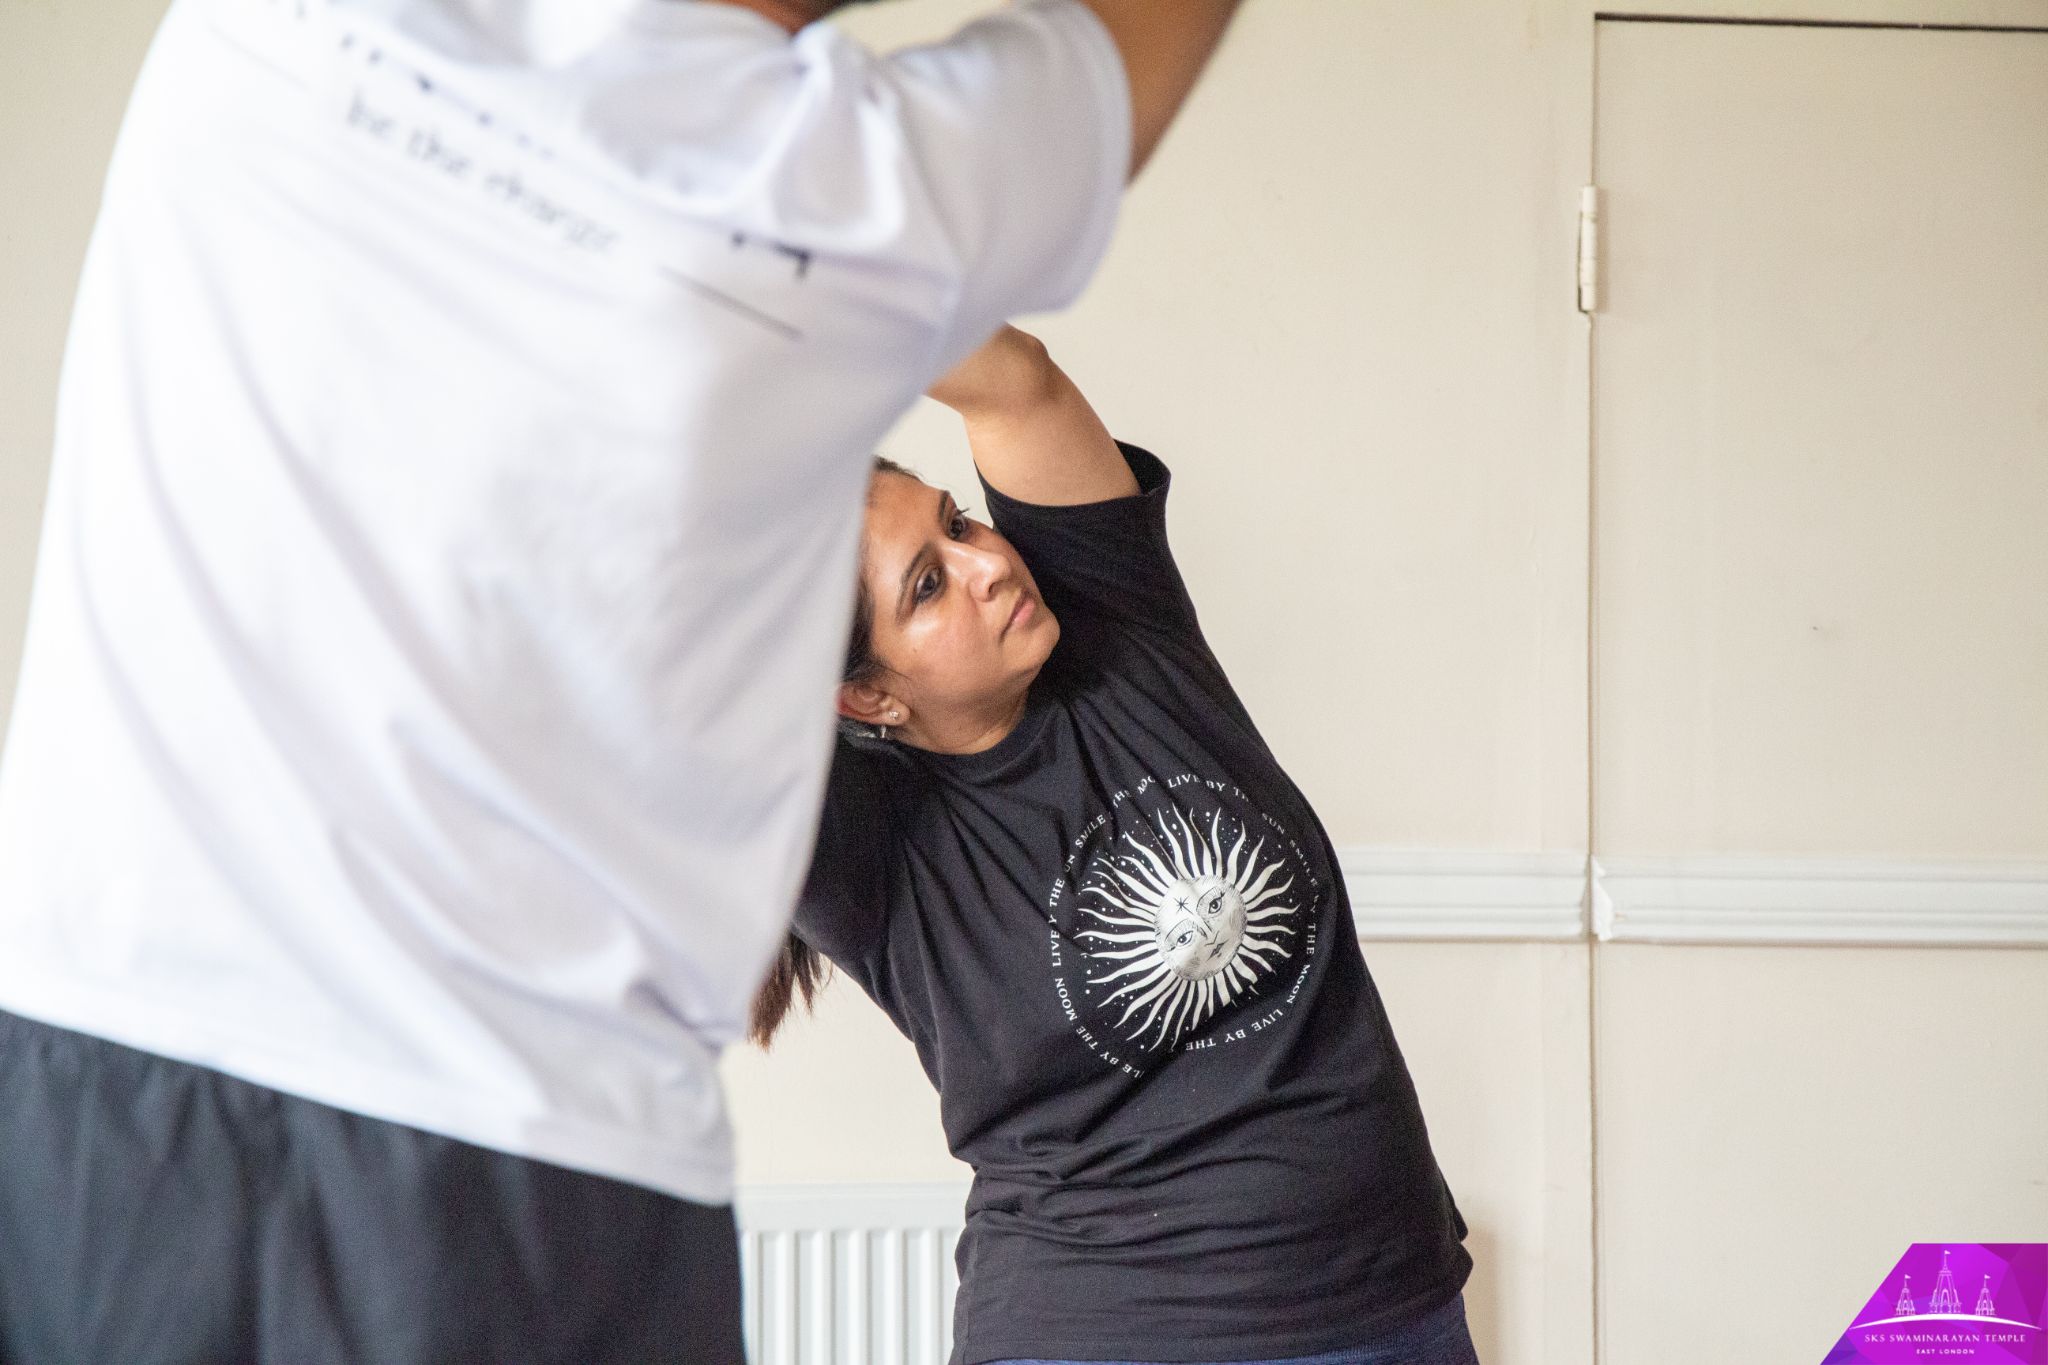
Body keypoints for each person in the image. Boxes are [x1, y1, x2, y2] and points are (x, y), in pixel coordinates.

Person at [0, 1, 1245, 1360]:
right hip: (523, 1170)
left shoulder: (264, 31)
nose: (984, 565)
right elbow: (1128, 75)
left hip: (100, 1081)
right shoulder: (857, 199)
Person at [752, 324, 1480, 1365]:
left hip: (1390, 1308)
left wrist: (793, 305)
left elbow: (1012, 386)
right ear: (866, 693)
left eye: (957, 523)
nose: (987, 564)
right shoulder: (861, 847)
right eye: (926, 584)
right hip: (1101, 1335)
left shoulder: (1115, 630)